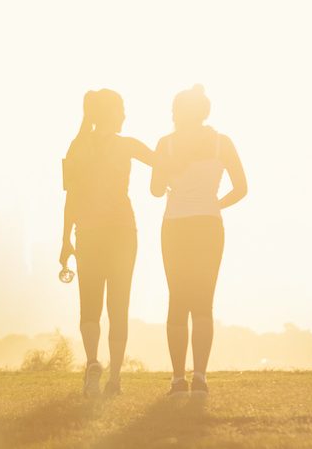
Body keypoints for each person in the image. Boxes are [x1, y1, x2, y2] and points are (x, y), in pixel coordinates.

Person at [150, 85, 247, 394]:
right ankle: (200, 378)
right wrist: (214, 204)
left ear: (176, 113)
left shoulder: (166, 144)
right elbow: (241, 188)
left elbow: (155, 190)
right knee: (203, 303)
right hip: (208, 226)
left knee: (177, 302)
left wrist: (168, 169)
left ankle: (178, 379)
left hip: (175, 226)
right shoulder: (221, 143)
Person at [60, 89, 155, 396]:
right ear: (111, 113)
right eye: (121, 109)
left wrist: (65, 240)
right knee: (119, 304)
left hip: (88, 233)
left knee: (89, 305)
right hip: (122, 232)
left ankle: (92, 363)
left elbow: (71, 197)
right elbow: (162, 162)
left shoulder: (77, 146)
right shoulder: (127, 145)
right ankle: (114, 379)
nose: (125, 115)